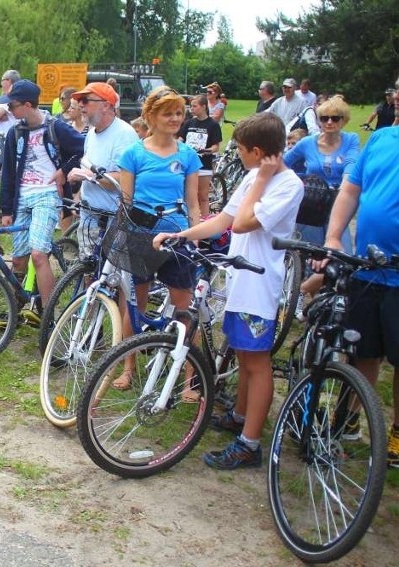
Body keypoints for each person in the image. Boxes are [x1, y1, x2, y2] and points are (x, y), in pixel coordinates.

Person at [153, 112, 304, 469]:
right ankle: (239, 415)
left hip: (259, 283)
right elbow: (223, 220)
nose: (236, 155)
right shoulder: (255, 176)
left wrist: (262, 178)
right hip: (238, 277)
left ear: (256, 151)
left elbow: (245, 221)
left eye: (239, 149)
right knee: (240, 351)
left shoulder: (286, 184)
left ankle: (250, 444)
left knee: (256, 361)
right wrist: (183, 235)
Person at [322, 77, 399, 467]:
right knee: (362, 351)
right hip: (368, 268)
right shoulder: (383, 139)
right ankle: (352, 418)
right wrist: (334, 236)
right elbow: (351, 190)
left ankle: (397, 435)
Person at [111, 86, 201, 392]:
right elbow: (126, 200)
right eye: (168, 113)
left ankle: (190, 378)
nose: (175, 118)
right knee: (135, 304)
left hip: (177, 237)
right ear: (151, 116)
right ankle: (127, 367)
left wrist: (195, 233)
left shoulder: (188, 155)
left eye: (179, 113)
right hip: (141, 236)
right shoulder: (133, 153)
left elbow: (193, 201)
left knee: (184, 308)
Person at [0, 79, 84, 309]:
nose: (9, 109)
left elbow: (83, 148)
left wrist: (63, 171)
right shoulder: (15, 133)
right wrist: (6, 209)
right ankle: (22, 305)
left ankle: (49, 315)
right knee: (18, 260)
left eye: (12, 105)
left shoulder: (55, 127)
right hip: (22, 199)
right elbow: (8, 171)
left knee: (38, 255)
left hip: (46, 195)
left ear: (27, 105)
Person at [283, 95, 358, 317]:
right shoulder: (308, 143)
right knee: (311, 256)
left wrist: (346, 184)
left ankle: (299, 293)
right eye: (324, 118)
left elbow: (352, 165)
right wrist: (297, 181)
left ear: (343, 120)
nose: (329, 123)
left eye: (335, 118)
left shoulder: (351, 140)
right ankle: (303, 299)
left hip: (339, 203)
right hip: (312, 204)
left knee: (342, 257)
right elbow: (284, 163)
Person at [66, 82, 138, 256]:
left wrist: (87, 176)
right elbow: (88, 165)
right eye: (79, 101)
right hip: (90, 215)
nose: (80, 105)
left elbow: (124, 178)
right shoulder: (91, 132)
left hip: (114, 219)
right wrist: (79, 197)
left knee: (113, 278)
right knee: (88, 270)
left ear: (106, 105)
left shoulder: (124, 135)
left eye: (85, 100)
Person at [179, 94, 222, 217]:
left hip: (204, 164)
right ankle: (189, 217)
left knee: (202, 195)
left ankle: (204, 218)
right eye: (191, 106)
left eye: (194, 106)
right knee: (188, 194)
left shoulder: (213, 125)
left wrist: (207, 150)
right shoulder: (189, 123)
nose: (191, 109)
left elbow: (216, 146)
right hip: (187, 164)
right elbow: (181, 139)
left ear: (203, 106)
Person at [0, 70, 21, 138]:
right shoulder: (10, 95)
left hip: (4, 139)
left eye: (2, 80)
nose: (1, 83)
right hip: (5, 137)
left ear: (8, 81)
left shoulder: (11, 96)